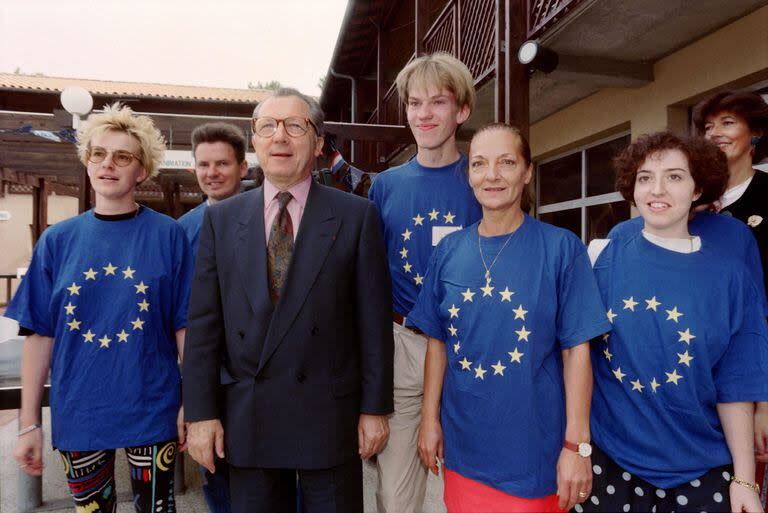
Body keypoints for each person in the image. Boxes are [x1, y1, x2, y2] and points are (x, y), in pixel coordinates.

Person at [182, 88, 394, 513]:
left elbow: (373, 322)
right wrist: (202, 415)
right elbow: (204, 326)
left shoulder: (356, 216)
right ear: (255, 141)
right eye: (267, 127)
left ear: (317, 144)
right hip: (249, 415)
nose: (280, 137)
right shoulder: (221, 221)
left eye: (294, 126)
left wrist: (375, 409)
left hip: (328, 416)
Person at [410, 123, 610, 513]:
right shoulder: (449, 251)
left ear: (527, 171)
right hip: (464, 447)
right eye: (480, 164)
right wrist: (428, 418)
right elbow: (438, 341)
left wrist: (576, 445)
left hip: (532, 450)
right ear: (468, 174)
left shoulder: (560, 250)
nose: (492, 175)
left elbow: (577, 352)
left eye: (506, 162)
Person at [7, 103, 191, 512]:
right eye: (98, 154)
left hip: (152, 407)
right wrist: (29, 423)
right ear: (87, 163)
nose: (108, 164)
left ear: (141, 170)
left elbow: (185, 328)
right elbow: (39, 335)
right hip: (80, 410)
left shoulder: (168, 236)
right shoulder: (58, 241)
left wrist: (191, 403)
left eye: (123, 156)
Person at [582, 131, 768, 513]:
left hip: (699, 470)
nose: (658, 189)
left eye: (675, 176)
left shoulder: (731, 278)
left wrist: (745, 481)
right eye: (646, 177)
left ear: (698, 188)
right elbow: (574, 359)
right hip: (608, 463)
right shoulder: (601, 258)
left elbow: (735, 387)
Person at [367, 51, 482, 513]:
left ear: (462, 111)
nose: (424, 113)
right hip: (403, 343)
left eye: (438, 101)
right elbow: (370, 275)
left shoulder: (483, 177)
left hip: (469, 345)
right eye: (415, 103)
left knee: (476, 485)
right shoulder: (386, 185)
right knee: (396, 495)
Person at [178, 122, 248, 513]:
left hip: (256, 369)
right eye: (203, 164)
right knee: (216, 469)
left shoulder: (272, 219)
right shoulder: (182, 231)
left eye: (222, 163)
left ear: (243, 167)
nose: (212, 173)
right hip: (208, 369)